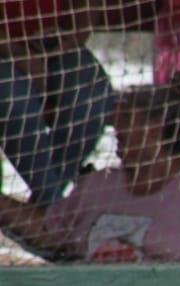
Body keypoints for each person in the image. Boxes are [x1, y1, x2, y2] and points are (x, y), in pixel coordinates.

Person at [0, 79, 180, 262]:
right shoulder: (98, 185)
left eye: (125, 118)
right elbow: (48, 232)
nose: (116, 128)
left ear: (155, 127)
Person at [0, 0, 116, 207]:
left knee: (91, 97)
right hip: (5, 49)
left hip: (51, 44)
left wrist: (72, 38)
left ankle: (47, 206)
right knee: (15, 101)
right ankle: (53, 206)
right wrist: (19, 54)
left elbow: (88, 7)